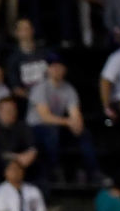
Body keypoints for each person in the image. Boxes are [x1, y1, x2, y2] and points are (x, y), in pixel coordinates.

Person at [27, 53, 100, 184]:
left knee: (84, 134)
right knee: (51, 132)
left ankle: (93, 172)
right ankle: (54, 171)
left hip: (59, 125)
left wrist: (77, 125)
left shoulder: (69, 89)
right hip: (36, 127)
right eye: (53, 67)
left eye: (59, 67)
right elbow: (44, 117)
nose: (56, 70)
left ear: (64, 69)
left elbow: (75, 113)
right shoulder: (40, 88)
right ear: (48, 69)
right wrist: (69, 122)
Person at [0, 94, 36, 180]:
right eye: (8, 110)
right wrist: (17, 157)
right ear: (0, 111)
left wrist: (31, 154)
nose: (11, 113)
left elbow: (32, 147)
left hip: (22, 163)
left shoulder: (22, 126)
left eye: (13, 110)